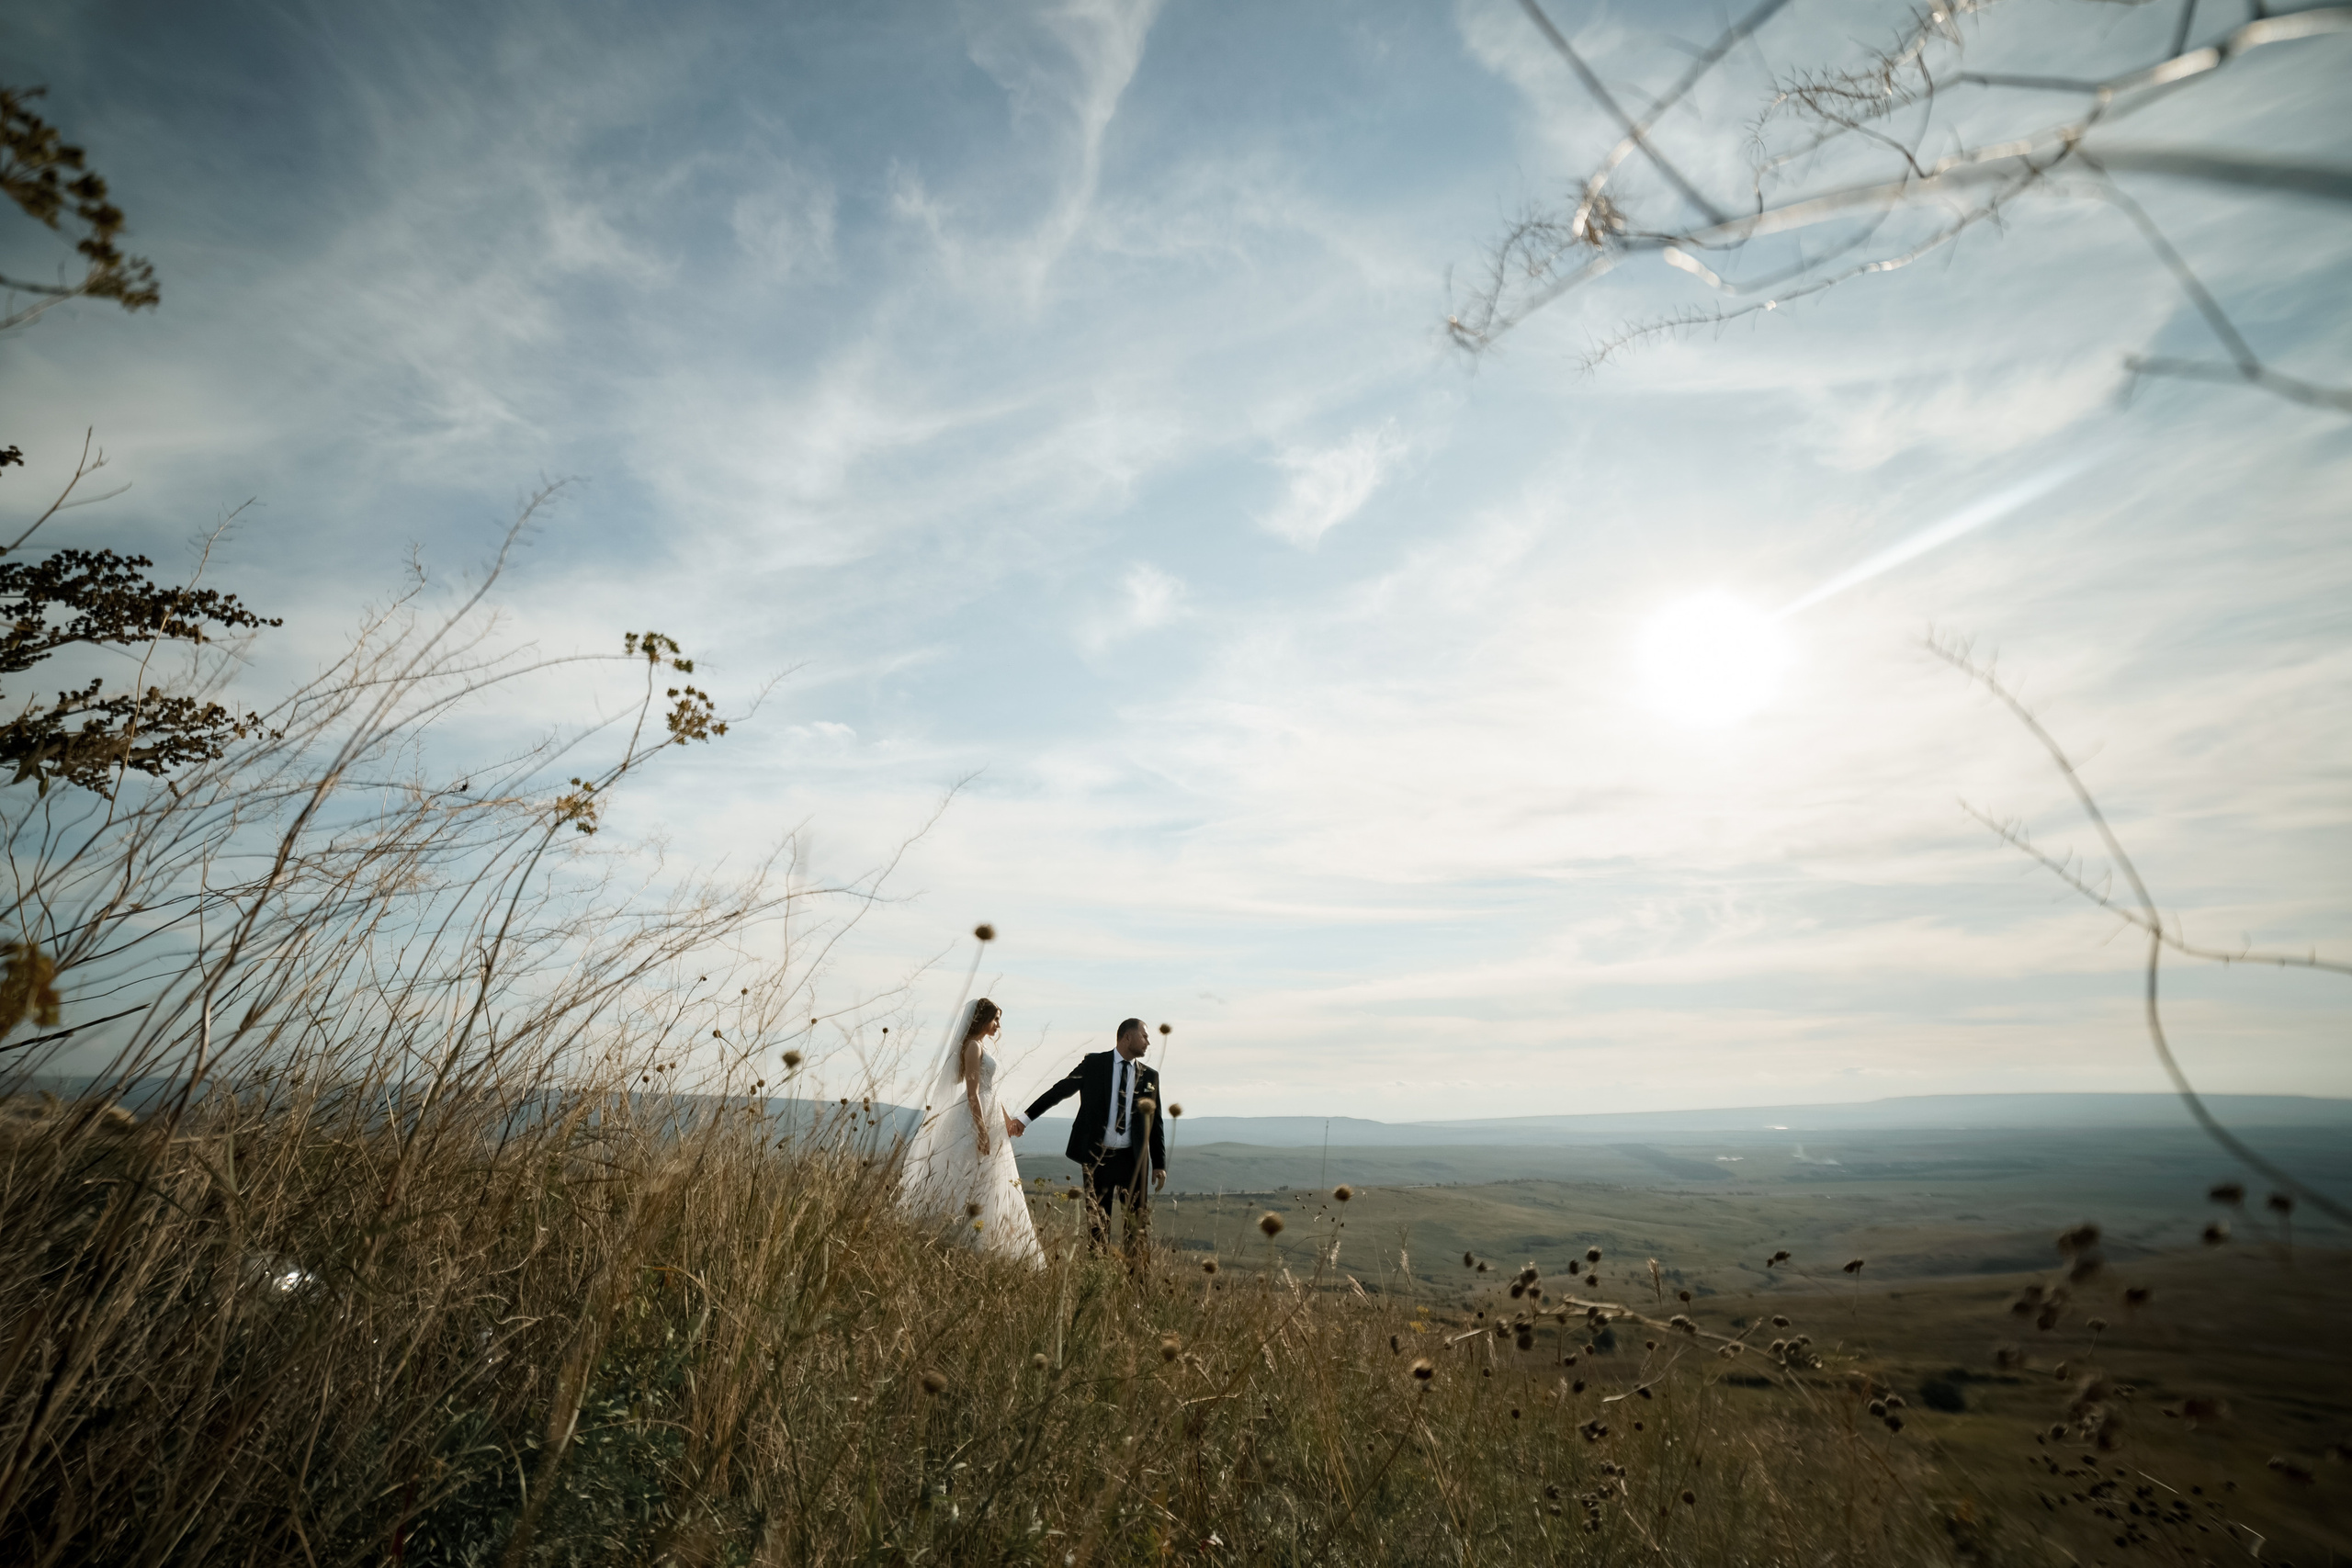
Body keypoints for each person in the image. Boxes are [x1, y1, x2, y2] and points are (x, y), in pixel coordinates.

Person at [897, 998, 1043, 1266]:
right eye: (995, 1018)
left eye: (999, 1020)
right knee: (966, 1174)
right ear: (980, 1019)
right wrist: (981, 1130)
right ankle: (957, 1236)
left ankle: (983, 1241)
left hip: (989, 1113)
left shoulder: (981, 1046)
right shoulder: (973, 1047)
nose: (998, 1025)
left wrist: (1008, 1120)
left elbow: (992, 1092)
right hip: (974, 1117)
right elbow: (973, 1094)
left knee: (989, 1177)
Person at [1009, 1017, 1165, 1256]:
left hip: (1133, 1162)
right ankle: (1097, 1284)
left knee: (1136, 1230)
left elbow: (1156, 1123)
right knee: (1098, 1229)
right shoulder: (1094, 1064)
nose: (1148, 1042)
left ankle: (1138, 1290)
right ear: (1127, 1037)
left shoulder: (1149, 1076)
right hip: (1098, 1158)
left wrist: (1159, 1164)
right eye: (1144, 1036)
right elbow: (1061, 1090)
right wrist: (1026, 1118)